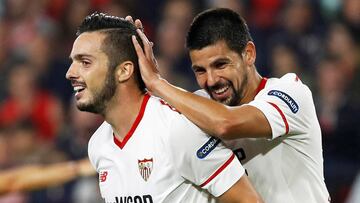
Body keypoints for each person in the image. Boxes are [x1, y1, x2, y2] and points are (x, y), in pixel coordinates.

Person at [131, 8, 330, 203]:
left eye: (220, 65)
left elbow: (226, 123)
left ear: (249, 54)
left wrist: (157, 83)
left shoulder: (290, 91)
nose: (211, 80)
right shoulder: (201, 105)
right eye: (200, 70)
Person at [65, 12, 262, 203]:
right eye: (73, 62)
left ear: (124, 71)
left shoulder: (176, 128)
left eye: (85, 62)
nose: (70, 73)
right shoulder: (98, 145)